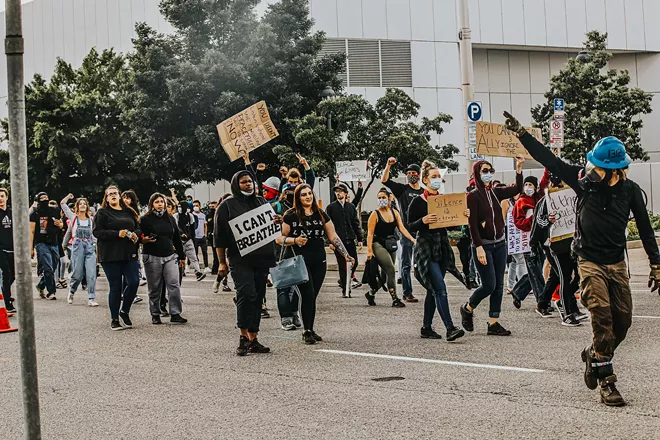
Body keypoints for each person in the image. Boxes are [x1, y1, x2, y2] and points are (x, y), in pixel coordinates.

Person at [504, 111, 660, 406]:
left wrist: (656, 262)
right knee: (601, 317)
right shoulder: (582, 183)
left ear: (615, 170)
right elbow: (551, 161)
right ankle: (606, 381)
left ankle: (594, 354)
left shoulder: (631, 192)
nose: (591, 170)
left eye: (598, 167)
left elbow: (645, 228)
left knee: (623, 323)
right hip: (588, 261)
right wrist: (522, 135)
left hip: (616, 263)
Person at [278, 184, 355, 345]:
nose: (308, 197)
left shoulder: (321, 214)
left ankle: (310, 328)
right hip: (298, 261)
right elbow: (280, 239)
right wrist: (295, 240)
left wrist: (346, 255)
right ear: (298, 198)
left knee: (312, 296)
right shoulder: (290, 215)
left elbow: (333, 236)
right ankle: (306, 331)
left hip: (318, 259)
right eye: (303, 195)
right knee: (308, 294)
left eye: (309, 194)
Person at [460, 156, 524, 336]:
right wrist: (478, 246)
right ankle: (468, 307)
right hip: (484, 246)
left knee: (498, 286)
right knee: (488, 285)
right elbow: (472, 224)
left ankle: (494, 322)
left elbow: (517, 189)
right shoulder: (472, 196)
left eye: (490, 171)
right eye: (485, 171)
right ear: (477, 174)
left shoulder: (496, 192)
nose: (488, 174)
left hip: (500, 244)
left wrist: (519, 169)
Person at [215, 170, 276, 356]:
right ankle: (242, 337)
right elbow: (219, 238)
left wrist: (278, 221)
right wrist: (221, 263)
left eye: (250, 181)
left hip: (262, 259)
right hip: (239, 260)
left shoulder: (262, 202)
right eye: (243, 182)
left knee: (258, 298)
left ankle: (253, 338)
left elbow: (271, 226)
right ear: (236, 184)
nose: (248, 184)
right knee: (246, 294)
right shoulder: (227, 206)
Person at [407, 163, 467, 341]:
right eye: (433, 177)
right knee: (439, 288)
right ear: (425, 180)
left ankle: (426, 327)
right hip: (426, 248)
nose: (436, 180)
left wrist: (463, 215)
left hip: (441, 247)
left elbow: (452, 224)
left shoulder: (443, 201)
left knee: (432, 290)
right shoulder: (418, 201)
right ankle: (450, 328)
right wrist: (423, 220)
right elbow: (409, 225)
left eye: (438, 177)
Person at [532, 174, 587, 327]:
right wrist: (547, 222)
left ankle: (544, 302)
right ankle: (566, 312)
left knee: (568, 276)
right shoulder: (545, 201)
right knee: (564, 276)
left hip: (571, 243)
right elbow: (538, 223)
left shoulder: (572, 197)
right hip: (553, 245)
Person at [93, 185, 142, 330]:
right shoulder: (102, 213)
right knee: (116, 286)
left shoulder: (128, 211)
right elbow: (97, 232)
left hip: (129, 253)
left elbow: (138, 227)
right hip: (110, 255)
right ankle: (114, 319)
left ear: (119, 196)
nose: (113, 196)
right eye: (110, 194)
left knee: (134, 282)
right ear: (106, 198)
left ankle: (124, 310)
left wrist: (136, 234)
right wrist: (116, 234)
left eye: (115, 193)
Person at [140, 193, 188, 325]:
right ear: (151, 204)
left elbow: (176, 237)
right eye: (157, 202)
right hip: (152, 256)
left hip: (170, 256)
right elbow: (139, 234)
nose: (160, 204)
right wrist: (142, 239)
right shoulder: (145, 219)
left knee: (174, 284)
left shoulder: (170, 218)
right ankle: (155, 313)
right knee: (155, 287)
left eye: (162, 201)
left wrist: (182, 256)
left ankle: (175, 313)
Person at [381, 157, 424, 303]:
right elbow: (385, 180)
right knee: (406, 263)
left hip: (422, 232)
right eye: (409, 173)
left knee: (423, 262)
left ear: (419, 175)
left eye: (414, 172)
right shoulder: (402, 190)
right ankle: (407, 292)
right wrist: (388, 165)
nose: (411, 175)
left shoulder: (424, 192)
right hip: (406, 231)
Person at [364, 187, 414, 307]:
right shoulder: (374, 214)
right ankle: (395, 299)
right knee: (391, 269)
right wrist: (369, 251)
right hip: (378, 245)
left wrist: (412, 239)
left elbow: (402, 228)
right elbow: (370, 234)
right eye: (379, 198)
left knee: (385, 275)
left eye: (383, 197)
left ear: (389, 198)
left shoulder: (394, 213)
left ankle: (370, 293)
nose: (381, 200)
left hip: (390, 244)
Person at [510, 172, 551, 315]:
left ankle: (518, 291)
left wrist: (548, 165)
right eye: (526, 185)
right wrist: (534, 219)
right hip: (527, 242)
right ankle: (542, 300)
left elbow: (545, 181)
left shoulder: (538, 198)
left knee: (536, 271)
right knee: (535, 271)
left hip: (541, 241)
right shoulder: (520, 202)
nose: (528, 187)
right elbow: (519, 223)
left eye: (531, 185)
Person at [60, 193, 98, 306]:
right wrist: (68, 197)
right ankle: (72, 291)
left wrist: (96, 247)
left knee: (91, 273)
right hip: (77, 247)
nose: (82, 205)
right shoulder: (73, 217)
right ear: (77, 206)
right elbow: (62, 204)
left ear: (87, 206)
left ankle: (91, 297)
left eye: (84, 204)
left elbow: (94, 236)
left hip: (90, 246)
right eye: (80, 204)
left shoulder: (91, 220)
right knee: (77, 274)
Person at [326, 183, 363, 298]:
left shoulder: (351, 207)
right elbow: (327, 225)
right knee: (342, 266)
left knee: (354, 262)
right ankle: (345, 290)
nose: (338, 193)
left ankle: (345, 280)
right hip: (338, 241)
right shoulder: (331, 207)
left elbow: (355, 223)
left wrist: (360, 238)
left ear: (346, 193)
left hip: (350, 239)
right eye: (337, 191)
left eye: (341, 191)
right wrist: (330, 242)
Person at [30, 192, 64, 300]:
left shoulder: (54, 210)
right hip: (41, 243)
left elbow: (61, 224)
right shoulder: (35, 213)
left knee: (53, 266)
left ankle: (40, 285)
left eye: (46, 197)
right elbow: (31, 231)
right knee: (48, 267)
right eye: (42, 198)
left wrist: (60, 224)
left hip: (54, 242)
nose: (44, 199)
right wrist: (31, 248)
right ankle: (51, 291)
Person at [171, 190, 206, 282]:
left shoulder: (190, 216)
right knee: (178, 257)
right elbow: (176, 227)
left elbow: (192, 228)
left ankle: (198, 272)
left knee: (193, 257)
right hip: (179, 240)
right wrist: (181, 234)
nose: (179, 208)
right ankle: (179, 272)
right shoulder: (176, 216)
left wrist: (192, 239)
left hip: (188, 240)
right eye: (178, 206)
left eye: (180, 207)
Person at [121, 190, 146, 302]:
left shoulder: (135, 213)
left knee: (132, 274)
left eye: (128, 198)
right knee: (124, 274)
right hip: (120, 246)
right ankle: (124, 293)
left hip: (133, 246)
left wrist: (137, 235)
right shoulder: (118, 211)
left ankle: (131, 294)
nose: (126, 200)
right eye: (124, 197)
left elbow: (139, 228)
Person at [210, 194, 233, 294]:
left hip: (236, 243)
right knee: (226, 265)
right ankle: (220, 281)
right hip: (225, 244)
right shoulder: (220, 213)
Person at [0, 188, 15, 313]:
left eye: (2, 196)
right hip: (1, 249)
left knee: (13, 275)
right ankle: (7, 302)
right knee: (7, 273)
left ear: (6, 197)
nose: (0, 199)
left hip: (13, 249)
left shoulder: (12, 212)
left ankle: (5, 292)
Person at [192, 200, 210, 273]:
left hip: (202, 237)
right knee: (195, 253)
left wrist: (205, 234)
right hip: (195, 237)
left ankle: (206, 267)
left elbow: (205, 225)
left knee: (205, 252)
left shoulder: (203, 215)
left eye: (197, 205)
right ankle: (197, 268)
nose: (195, 207)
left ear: (200, 206)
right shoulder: (191, 215)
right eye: (194, 206)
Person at [207, 199, 219, 275]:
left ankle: (217, 267)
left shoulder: (219, 214)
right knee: (215, 252)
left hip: (218, 235)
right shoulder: (208, 215)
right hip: (211, 235)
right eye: (210, 207)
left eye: (213, 207)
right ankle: (215, 268)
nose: (211, 208)